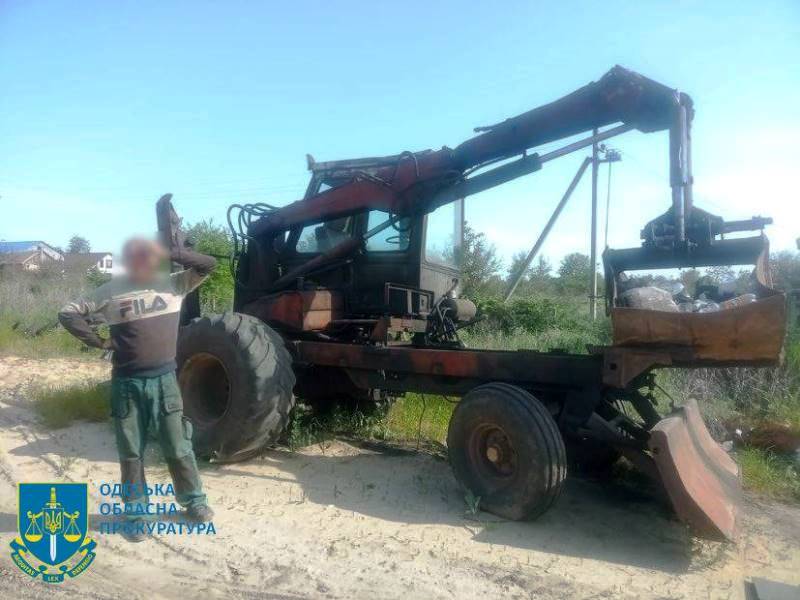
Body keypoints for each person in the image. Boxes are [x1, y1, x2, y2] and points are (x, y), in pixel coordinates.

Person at [58, 236, 216, 542]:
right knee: (131, 452)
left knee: (178, 445)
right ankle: (137, 513)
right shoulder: (111, 290)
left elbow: (208, 264)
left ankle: (194, 502)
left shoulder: (175, 284)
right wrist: (99, 342)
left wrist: (174, 251)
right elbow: (67, 312)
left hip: (166, 381)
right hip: (126, 384)